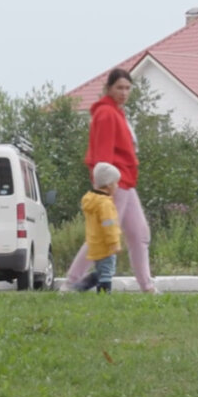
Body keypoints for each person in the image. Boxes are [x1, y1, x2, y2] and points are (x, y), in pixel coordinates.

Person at [63, 68, 158, 294]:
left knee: (139, 233)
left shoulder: (117, 112)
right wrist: (106, 187)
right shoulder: (106, 114)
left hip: (125, 181)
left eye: (127, 88)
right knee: (102, 234)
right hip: (115, 182)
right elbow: (103, 155)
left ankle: (148, 286)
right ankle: (70, 283)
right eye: (119, 88)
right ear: (108, 88)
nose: (124, 92)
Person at [74, 163, 122, 293]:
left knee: (101, 270)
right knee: (107, 272)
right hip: (106, 245)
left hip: (95, 243)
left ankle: (81, 286)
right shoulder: (105, 203)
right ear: (108, 185)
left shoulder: (91, 200)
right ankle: (103, 294)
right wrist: (114, 243)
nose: (117, 186)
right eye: (116, 183)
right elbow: (109, 225)